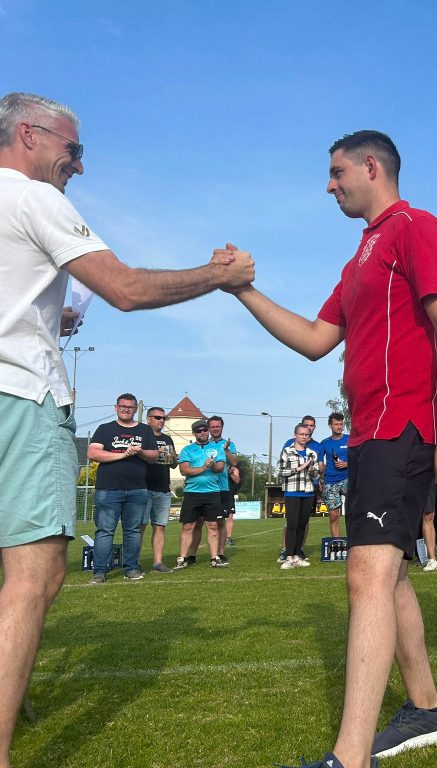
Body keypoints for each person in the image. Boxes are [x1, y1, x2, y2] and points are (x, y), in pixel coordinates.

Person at [0, 91, 252, 768]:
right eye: (73, 149)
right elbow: (126, 289)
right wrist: (218, 275)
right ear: (29, 135)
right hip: (20, 395)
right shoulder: (34, 198)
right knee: (33, 575)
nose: (79, 165)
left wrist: (48, 316)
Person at [226, 130, 437, 767]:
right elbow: (315, 339)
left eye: (336, 173)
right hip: (366, 435)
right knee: (387, 576)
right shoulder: (360, 256)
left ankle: (350, 757)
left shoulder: (417, 228)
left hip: (404, 427)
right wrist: (242, 290)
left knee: (366, 574)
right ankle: (427, 707)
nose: (329, 185)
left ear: (371, 167)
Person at [87, 393, 159, 582]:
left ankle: (131, 569)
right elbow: (93, 453)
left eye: (130, 407)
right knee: (105, 531)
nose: (126, 409)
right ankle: (100, 571)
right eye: (123, 406)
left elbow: (154, 455)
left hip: (137, 489)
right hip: (108, 489)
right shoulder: (105, 429)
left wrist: (140, 451)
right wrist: (124, 454)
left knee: (133, 530)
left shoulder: (144, 430)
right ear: (116, 407)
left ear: (135, 409)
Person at [174, 420, 228, 568]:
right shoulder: (187, 450)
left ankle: (214, 558)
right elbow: (184, 470)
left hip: (212, 492)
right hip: (192, 493)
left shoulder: (217, 448)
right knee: (188, 526)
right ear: (194, 433)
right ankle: (183, 558)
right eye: (199, 430)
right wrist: (204, 467)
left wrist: (213, 465)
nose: (202, 432)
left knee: (213, 525)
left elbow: (220, 468)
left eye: (205, 429)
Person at [278, 414, 324, 561]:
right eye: (301, 434)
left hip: (308, 492)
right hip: (292, 492)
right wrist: (299, 468)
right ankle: (288, 554)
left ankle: (298, 553)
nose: (304, 437)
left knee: (302, 524)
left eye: (306, 435)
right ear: (295, 435)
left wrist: (312, 471)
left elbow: (316, 473)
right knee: (292, 524)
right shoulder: (287, 451)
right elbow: (280, 471)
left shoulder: (312, 453)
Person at [141, 405, 177, 572]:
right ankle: (133, 562)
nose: (162, 420)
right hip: (143, 487)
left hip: (163, 489)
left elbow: (173, 465)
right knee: (140, 527)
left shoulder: (168, 439)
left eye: (164, 418)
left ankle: (158, 562)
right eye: (158, 417)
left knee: (160, 526)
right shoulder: (142, 436)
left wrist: (174, 457)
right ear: (148, 419)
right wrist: (154, 452)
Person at [207, 415, 239, 561]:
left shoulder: (229, 444)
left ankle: (220, 553)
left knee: (220, 522)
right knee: (198, 523)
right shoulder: (203, 444)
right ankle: (191, 555)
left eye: (217, 426)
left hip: (222, 487)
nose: (215, 429)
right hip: (205, 487)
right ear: (208, 428)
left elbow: (234, 462)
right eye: (212, 426)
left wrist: (226, 450)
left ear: (222, 428)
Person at [320, 412, 350, 539]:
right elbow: (319, 463)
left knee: (353, 512)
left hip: (348, 479)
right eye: (336, 424)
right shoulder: (324, 443)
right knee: (334, 515)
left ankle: (353, 542)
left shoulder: (350, 439)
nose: (339, 426)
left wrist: (347, 464)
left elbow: (360, 457)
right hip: (330, 482)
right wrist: (320, 479)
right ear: (330, 425)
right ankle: (337, 543)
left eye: (341, 424)